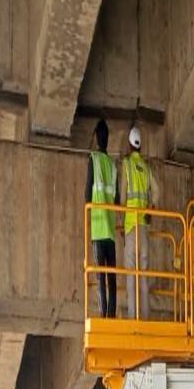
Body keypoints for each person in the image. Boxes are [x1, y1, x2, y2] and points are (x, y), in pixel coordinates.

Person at [119, 125, 153, 319]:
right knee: (144, 275)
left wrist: (121, 221)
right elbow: (157, 190)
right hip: (144, 228)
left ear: (129, 145)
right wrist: (151, 208)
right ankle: (146, 317)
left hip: (131, 226)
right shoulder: (146, 169)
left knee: (132, 274)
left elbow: (123, 196)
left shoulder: (127, 165)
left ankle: (134, 318)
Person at [86, 119, 117, 317]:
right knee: (112, 275)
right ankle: (111, 314)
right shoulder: (112, 166)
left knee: (100, 275)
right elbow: (118, 197)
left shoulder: (94, 159)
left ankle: (103, 313)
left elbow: (87, 194)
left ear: (97, 138)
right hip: (111, 230)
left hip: (98, 227)